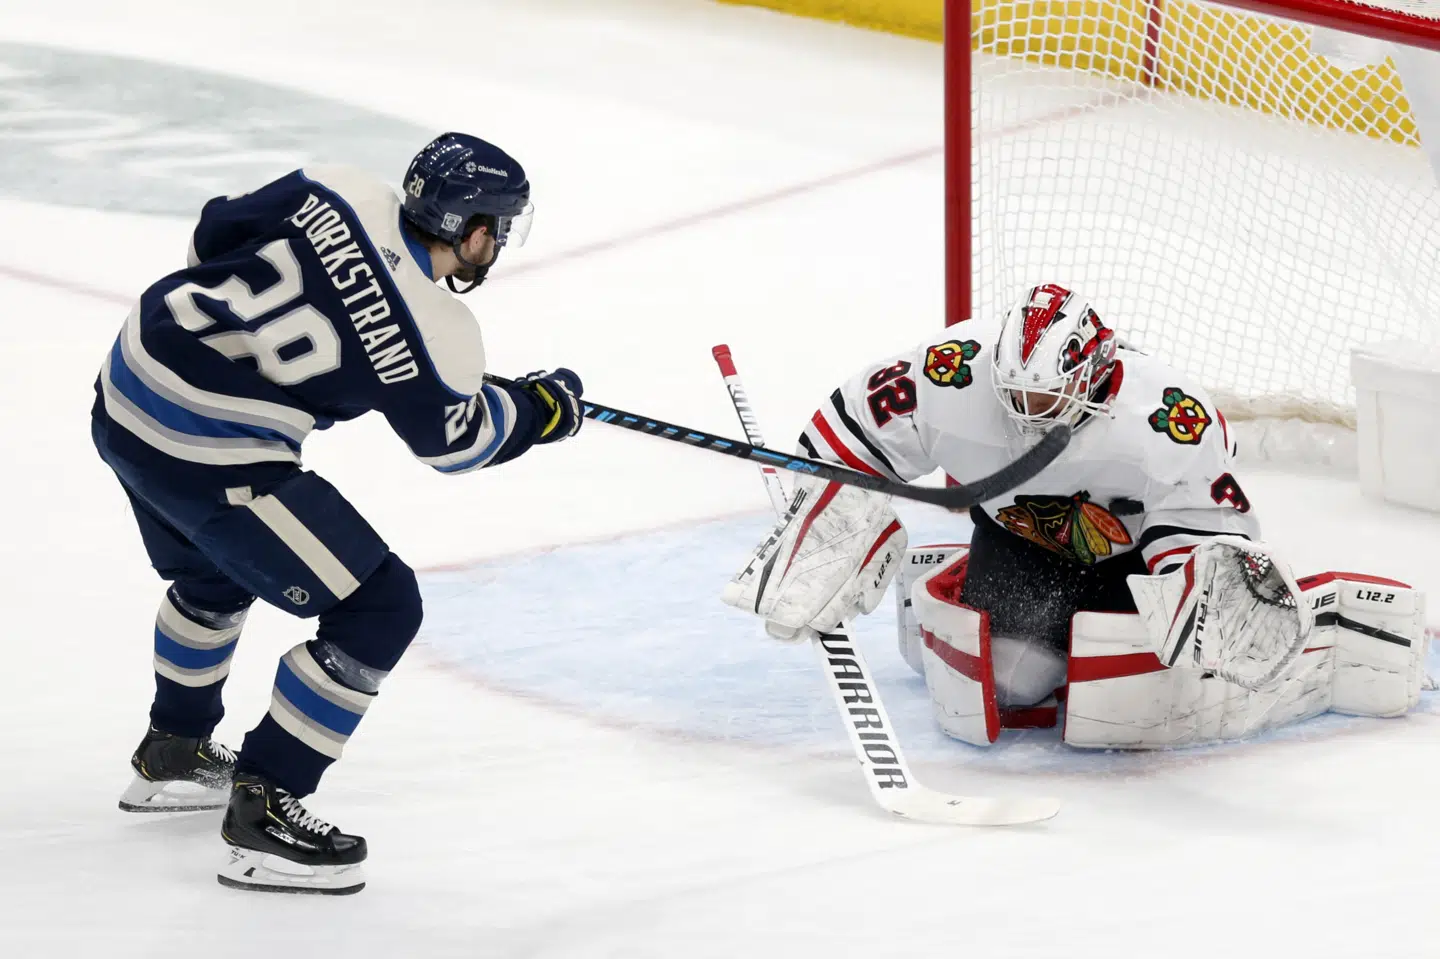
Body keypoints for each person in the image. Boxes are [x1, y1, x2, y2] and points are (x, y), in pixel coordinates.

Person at [93, 132, 583, 894]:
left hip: (129, 386)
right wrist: (541, 409)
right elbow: (458, 442)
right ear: (478, 231)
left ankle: (174, 751)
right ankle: (267, 807)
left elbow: (210, 237)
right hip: (213, 451)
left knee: (215, 573)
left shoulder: (336, 184)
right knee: (381, 606)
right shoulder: (441, 333)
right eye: (501, 228)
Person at [723, 283, 1426, 746]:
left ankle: (1317, 627)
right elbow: (845, 430)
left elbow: (1204, 520)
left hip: (1132, 561)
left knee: (1141, 707)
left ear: (1093, 378)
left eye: (1048, 403)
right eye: (1016, 399)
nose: (1027, 419)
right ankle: (954, 580)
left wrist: (1202, 584)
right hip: (1020, 545)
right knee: (1015, 687)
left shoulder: (1166, 416)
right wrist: (833, 510)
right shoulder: (951, 372)